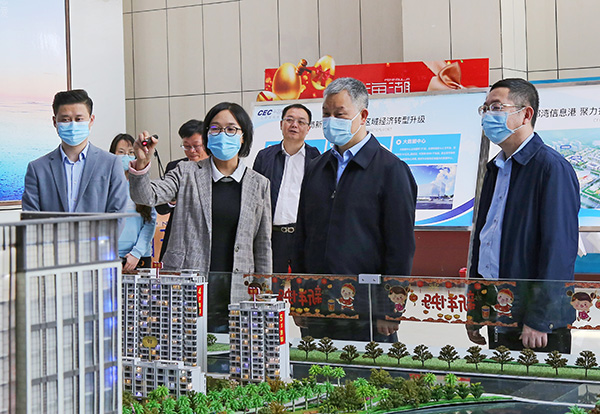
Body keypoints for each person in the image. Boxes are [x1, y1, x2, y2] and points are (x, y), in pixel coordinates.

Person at [128, 102, 272, 332]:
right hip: (187, 287)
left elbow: (262, 245)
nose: (222, 134)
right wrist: (143, 163)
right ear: (207, 135)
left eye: (231, 129)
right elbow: (146, 196)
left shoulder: (259, 184)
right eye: (215, 128)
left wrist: (263, 295)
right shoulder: (186, 172)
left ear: (243, 136)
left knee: (231, 349)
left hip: (238, 290)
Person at [294, 77, 417, 342]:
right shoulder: (316, 168)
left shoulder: (391, 170)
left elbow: (401, 247)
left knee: (367, 368)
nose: (331, 121)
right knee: (315, 367)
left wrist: (391, 307)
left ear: (362, 116)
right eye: (326, 114)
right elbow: (302, 236)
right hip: (318, 303)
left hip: (366, 308)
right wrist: (299, 298)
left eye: (339, 114)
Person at [467, 78, 579, 353]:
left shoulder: (551, 168)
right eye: (485, 108)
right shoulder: (495, 169)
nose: (488, 116)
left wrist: (541, 318)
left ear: (526, 114)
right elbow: (484, 242)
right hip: (498, 307)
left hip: (536, 323)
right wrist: (476, 308)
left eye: (496, 107)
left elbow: (559, 251)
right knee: (499, 381)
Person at [22, 89, 127, 214]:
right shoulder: (37, 169)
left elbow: (118, 214)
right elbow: (31, 217)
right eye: (66, 120)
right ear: (55, 122)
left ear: (91, 120)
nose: (73, 125)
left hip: (100, 228)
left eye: (79, 119)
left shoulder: (111, 163)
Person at [253, 104, 320, 273]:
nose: (294, 125)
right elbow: (254, 198)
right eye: (289, 120)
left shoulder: (317, 159)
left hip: (303, 237)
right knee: (269, 284)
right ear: (281, 124)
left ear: (308, 128)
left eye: (301, 122)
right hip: (272, 236)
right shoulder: (264, 157)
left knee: (304, 285)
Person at [155, 119, 208, 261]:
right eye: (186, 146)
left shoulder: (216, 168)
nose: (192, 151)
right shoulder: (175, 167)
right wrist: (172, 201)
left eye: (196, 146)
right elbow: (161, 208)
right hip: (178, 237)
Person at [109, 133, 157, 271]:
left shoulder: (143, 186)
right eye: (121, 152)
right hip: (111, 255)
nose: (126, 156)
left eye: (131, 152)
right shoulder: (105, 186)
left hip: (139, 256)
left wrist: (136, 253)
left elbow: (150, 222)